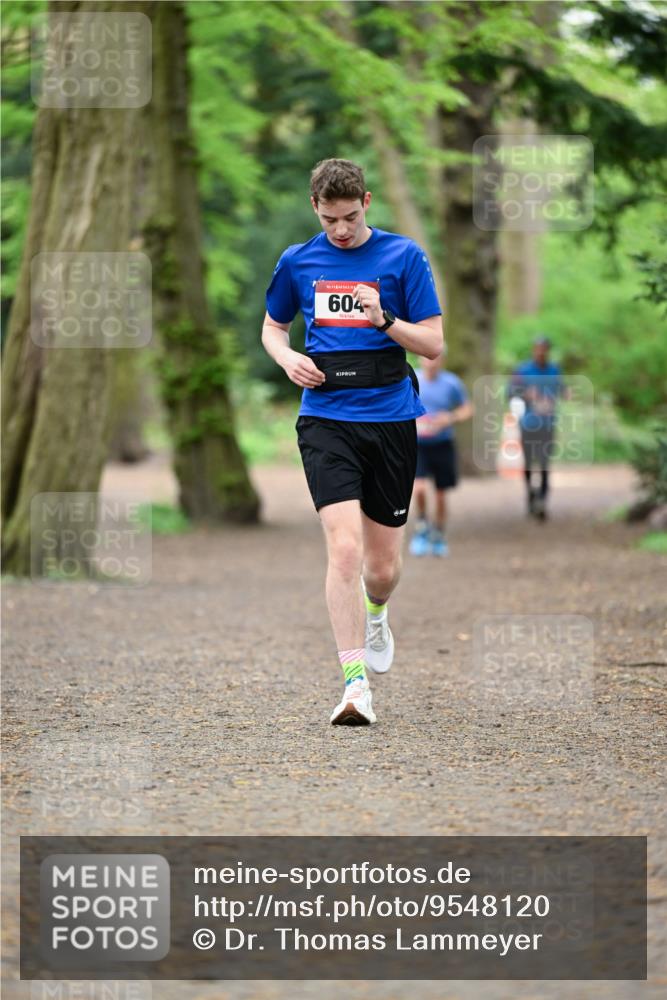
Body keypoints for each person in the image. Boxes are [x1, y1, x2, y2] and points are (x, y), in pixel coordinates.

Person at [262, 158, 443, 725]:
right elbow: (273, 327)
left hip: (390, 418)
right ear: (314, 207)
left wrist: (385, 319)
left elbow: (433, 344)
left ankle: (377, 612)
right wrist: (287, 358)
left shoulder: (404, 256)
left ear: (366, 202)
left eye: (348, 217)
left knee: (381, 569)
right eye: (328, 219)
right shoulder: (298, 261)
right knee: (344, 550)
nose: (339, 230)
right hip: (326, 417)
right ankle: (354, 685)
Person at [409, 352, 473, 557]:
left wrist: (450, 417)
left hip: (443, 444)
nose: (431, 362)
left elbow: (467, 409)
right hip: (418, 445)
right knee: (419, 488)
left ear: (442, 360)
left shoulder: (452, 383)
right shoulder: (411, 379)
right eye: (427, 358)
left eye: (435, 358)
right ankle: (421, 528)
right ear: (420, 359)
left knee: (440, 494)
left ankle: (438, 534)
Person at [508, 337, 564, 520]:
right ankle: (530, 494)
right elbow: (510, 392)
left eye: (544, 349)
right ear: (533, 350)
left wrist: (564, 394)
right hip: (528, 424)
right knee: (528, 462)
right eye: (538, 348)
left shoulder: (554, 370)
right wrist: (526, 394)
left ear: (547, 350)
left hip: (548, 424)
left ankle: (542, 498)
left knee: (545, 462)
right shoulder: (523, 370)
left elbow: (562, 390)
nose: (540, 352)